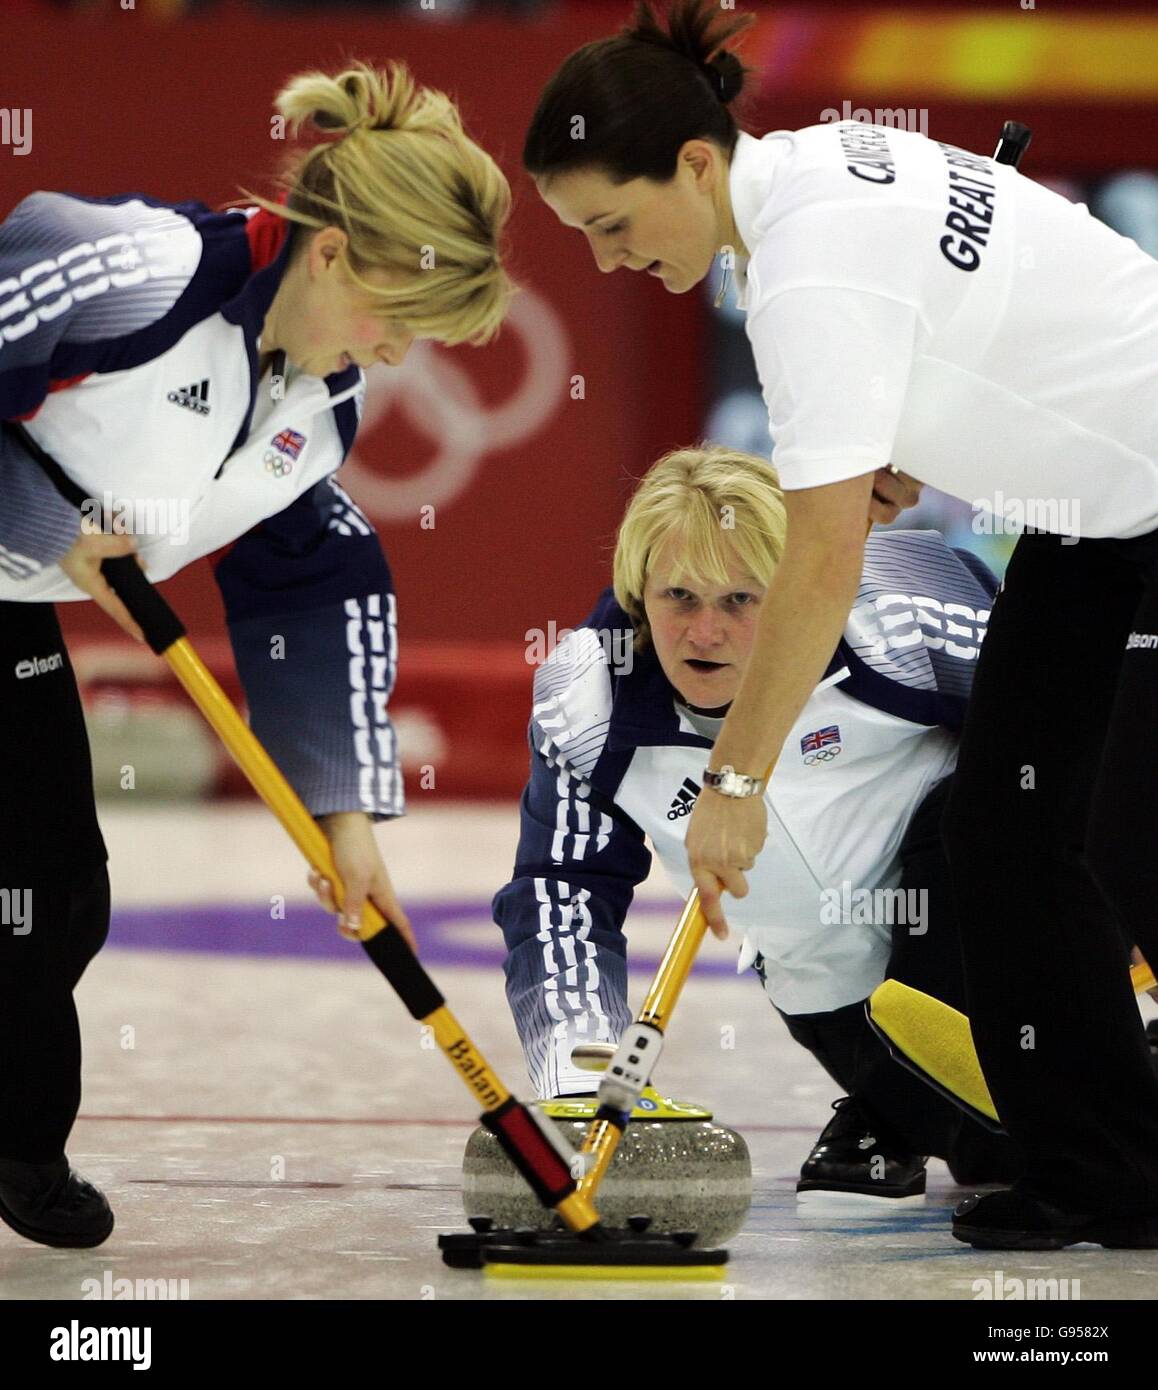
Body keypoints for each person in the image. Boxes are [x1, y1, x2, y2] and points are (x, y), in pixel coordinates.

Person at [524, 0, 1158, 1248]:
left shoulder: (805, 265)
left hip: (1136, 497)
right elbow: (992, 316)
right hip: (1096, 511)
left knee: (1092, 838)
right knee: (1009, 830)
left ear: (694, 164)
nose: (605, 259)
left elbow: (816, 574)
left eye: (611, 222)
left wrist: (738, 781)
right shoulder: (812, 174)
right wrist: (912, 439)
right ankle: (1107, 1173)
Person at [0, 59, 512, 1248]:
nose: (393, 357)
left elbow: (312, 583)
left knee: (53, 896)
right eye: (398, 320)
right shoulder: (129, 274)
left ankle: (19, 1140)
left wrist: (345, 821)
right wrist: (49, 531)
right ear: (330, 252)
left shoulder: (319, 408)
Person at [495, 444, 1021, 1201]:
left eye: (741, 599)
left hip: (979, 926)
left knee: (993, 798)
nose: (703, 632)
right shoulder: (587, 706)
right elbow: (560, 894)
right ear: (641, 589)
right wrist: (583, 1079)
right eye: (680, 595)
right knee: (1003, 1155)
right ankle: (895, 1111)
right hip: (834, 994)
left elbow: (1074, 737)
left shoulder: (901, 614)